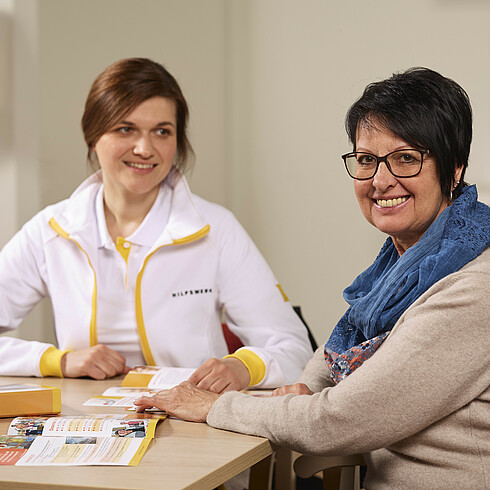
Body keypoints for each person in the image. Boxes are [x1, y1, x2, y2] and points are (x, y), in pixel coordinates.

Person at [135, 68, 490, 488]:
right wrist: (302, 390)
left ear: (454, 170)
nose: (380, 180)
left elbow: (337, 420)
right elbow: (330, 358)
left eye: (406, 158)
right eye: (365, 160)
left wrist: (214, 405)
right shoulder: (404, 267)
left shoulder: (473, 287)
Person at [0, 58, 313, 392]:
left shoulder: (215, 229)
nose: (144, 149)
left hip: (194, 425)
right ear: (93, 136)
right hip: (86, 431)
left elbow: (295, 349)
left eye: (162, 131)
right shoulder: (51, 231)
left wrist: (243, 366)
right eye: (126, 129)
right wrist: (55, 361)